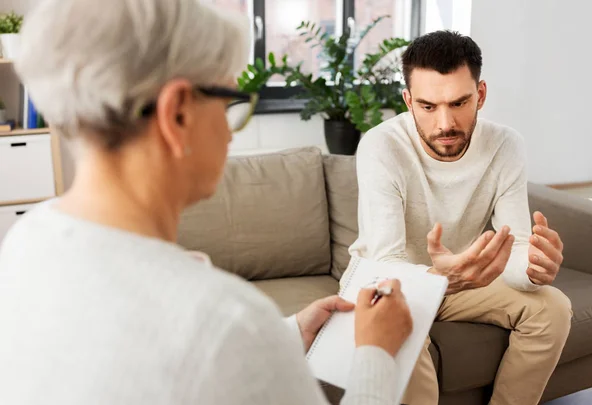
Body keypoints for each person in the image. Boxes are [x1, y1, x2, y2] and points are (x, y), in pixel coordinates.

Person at [0, 1, 415, 404]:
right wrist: (376, 352)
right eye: (228, 102)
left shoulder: (25, 240)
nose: (230, 132)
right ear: (178, 114)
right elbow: (208, 342)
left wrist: (285, 335)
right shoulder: (225, 322)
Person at [348, 30, 573, 405]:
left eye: (459, 102)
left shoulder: (505, 145)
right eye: (428, 106)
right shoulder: (380, 146)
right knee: (401, 339)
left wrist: (533, 269)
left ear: (480, 95)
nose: (444, 124)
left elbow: (515, 245)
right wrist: (441, 278)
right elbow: (387, 263)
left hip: (462, 280)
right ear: (407, 101)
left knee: (553, 307)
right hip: (386, 285)